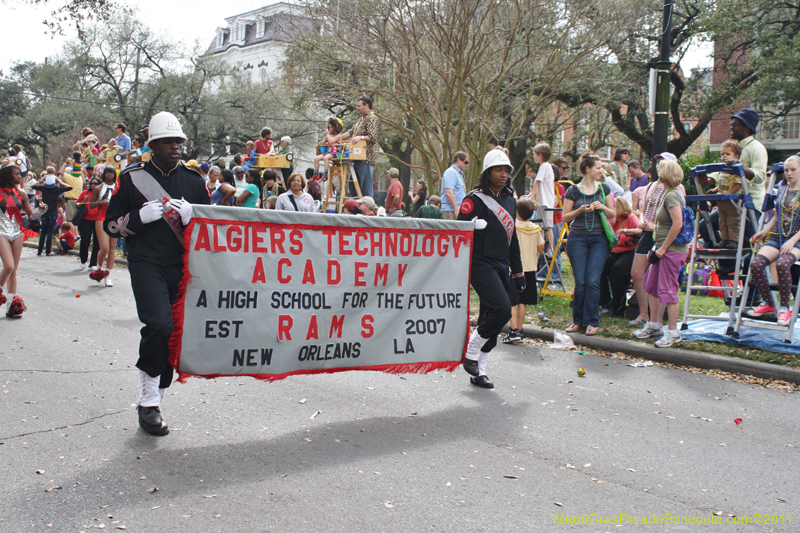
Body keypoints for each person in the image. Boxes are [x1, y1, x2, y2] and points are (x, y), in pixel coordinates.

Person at [103, 111, 210, 436]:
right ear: (153, 145)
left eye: (178, 141)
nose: (175, 146)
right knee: (159, 325)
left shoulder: (194, 182)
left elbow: (212, 230)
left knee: (174, 332)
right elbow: (111, 226)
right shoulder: (132, 178)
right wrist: (138, 218)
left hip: (181, 266)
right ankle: (149, 401)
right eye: (168, 141)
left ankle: (156, 395)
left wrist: (195, 216)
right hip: (146, 263)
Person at [459, 149, 524, 389]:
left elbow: (512, 239)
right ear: (488, 172)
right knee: (502, 310)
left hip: (502, 264)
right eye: (498, 170)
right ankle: (470, 352)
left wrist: (518, 273)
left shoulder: (510, 200)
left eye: (506, 171)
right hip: (480, 263)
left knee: (490, 318)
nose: (503, 175)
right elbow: (458, 231)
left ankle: (480, 370)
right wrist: (472, 226)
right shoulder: (473, 199)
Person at [633, 160, 689, 347]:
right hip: (660, 248)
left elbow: (678, 224)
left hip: (671, 251)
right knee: (651, 285)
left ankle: (673, 332)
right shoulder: (668, 193)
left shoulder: (672, 195)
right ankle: (654, 324)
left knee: (668, 291)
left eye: (660, 170)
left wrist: (663, 248)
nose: (657, 173)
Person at [561, 151, 616, 335]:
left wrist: (603, 207)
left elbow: (613, 214)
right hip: (577, 238)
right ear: (587, 169)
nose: (601, 171)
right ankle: (578, 321)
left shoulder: (604, 189)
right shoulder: (573, 190)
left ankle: (592, 321)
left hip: (599, 239)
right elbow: (565, 217)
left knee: (593, 281)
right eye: (598, 168)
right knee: (581, 282)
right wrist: (580, 210)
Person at [746, 156, 800, 325]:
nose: (789, 173)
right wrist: (764, 232)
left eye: (793, 169)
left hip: (797, 239)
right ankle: (769, 303)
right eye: (786, 170)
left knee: (782, 264)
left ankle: (784, 308)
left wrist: (792, 241)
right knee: (756, 264)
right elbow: (777, 216)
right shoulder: (782, 189)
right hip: (778, 236)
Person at [0, 164, 46, 317]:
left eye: (20, 174)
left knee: (14, 270)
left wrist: (41, 210)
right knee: (8, 266)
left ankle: (11, 305)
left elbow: (31, 216)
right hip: (1, 232)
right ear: (8, 176)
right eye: (16, 174)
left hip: (17, 232)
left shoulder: (21, 194)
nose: (20, 177)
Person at [503, 197, 544, 344]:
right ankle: (520, 330)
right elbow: (540, 248)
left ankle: (513, 330)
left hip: (514, 268)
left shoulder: (513, 227)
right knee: (523, 301)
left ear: (516, 211)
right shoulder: (536, 229)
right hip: (530, 268)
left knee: (511, 301)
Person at [599, 197, 641, 316]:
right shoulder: (612, 221)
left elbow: (640, 231)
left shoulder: (631, 218)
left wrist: (625, 230)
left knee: (618, 269)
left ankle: (618, 303)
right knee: (600, 267)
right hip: (614, 251)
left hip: (630, 250)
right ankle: (605, 301)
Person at [337, 96, 379, 197]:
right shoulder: (360, 119)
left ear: (366, 106)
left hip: (366, 157)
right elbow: (350, 132)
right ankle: (355, 204)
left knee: (365, 185)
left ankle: (367, 205)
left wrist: (361, 137)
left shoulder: (372, 118)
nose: (357, 108)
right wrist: (337, 139)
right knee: (353, 185)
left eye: (359, 106)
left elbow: (372, 136)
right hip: (356, 156)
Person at [704, 140, 743, 249]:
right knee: (722, 221)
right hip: (721, 200)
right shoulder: (722, 170)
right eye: (722, 154)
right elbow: (721, 183)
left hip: (731, 201)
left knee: (732, 221)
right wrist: (714, 190)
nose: (724, 156)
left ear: (736, 156)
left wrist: (730, 193)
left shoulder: (735, 170)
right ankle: (724, 239)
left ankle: (734, 240)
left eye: (728, 154)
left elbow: (738, 184)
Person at [89, 166, 119, 287]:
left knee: (112, 248)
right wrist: (101, 202)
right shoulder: (98, 188)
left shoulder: (118, 187)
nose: (109, 175)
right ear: (104, 174)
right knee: (104, 247)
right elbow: (91, 205)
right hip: (101, 218)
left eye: (112, 173)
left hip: (115, 218)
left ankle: (108, 275)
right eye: (107, 173)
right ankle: (99, 268)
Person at [32, 172, 72, 256]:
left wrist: (40, 180)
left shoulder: (43, 188)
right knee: (50, 232)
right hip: (53, 213)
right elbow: (70, 187)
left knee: (43, 232)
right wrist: (60, 182)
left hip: (44, 212)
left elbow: (32, 186)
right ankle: (48, 251)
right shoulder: (57, 189)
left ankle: (39, 251)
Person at [528, 143, 556, 251]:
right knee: (541, 227)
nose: (533, 156)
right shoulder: (546, 166)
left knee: (547, 227)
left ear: (540, 155)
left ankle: (549, 250)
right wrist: (531, 195)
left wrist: (531, 197)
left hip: (545, 203)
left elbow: (537, 182)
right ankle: (540, 250)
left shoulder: (545, 166)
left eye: (534, 154)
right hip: (543, 202)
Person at [76, 177, 101, 270]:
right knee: (85, 241)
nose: (93, 185)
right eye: (91, 183)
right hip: (86, 220)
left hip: (98, 220)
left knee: (97, 242)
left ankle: (93, 263)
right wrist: (83, 200)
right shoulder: (85, 193)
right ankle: (83, 259)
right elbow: (77, 205)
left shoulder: (101, 194)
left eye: (95, 183)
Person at [440, 151, 468, 220]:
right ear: (458, 160)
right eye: (466, 162)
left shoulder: (457, 173)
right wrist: (456, 209)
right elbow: (449, 192)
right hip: (450, 210)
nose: (467, 165)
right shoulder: (451, 172)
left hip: (455, 210)